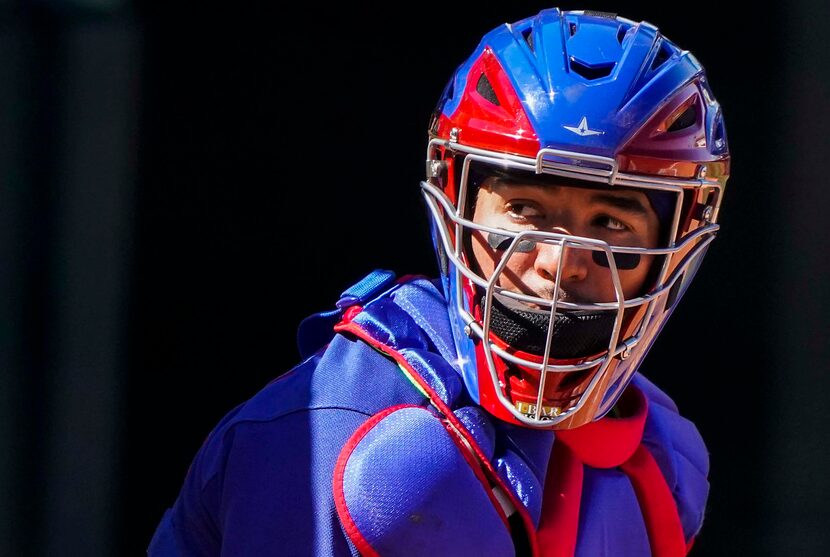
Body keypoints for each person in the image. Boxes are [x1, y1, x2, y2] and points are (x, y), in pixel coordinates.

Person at [149, 7, 729, 556]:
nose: (560, 260)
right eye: (524, 210)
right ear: (457, 204)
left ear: (676, 245)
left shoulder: (656, 457)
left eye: (609, 223)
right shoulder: (337, 429)